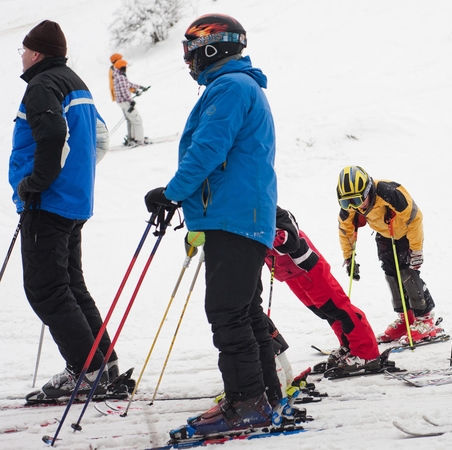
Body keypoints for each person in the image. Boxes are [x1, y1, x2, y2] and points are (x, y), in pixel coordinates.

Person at [144, 14, 279, 438]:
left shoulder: (230, 87)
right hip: (240, 215)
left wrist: (172, 192)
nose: (187, 60)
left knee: (226, 312)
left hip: (234, 217)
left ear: (211, 47)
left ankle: (247, 404)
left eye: (190, 50)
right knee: (243, 309)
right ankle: (263, 396)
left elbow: (207, 149)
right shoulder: (238, 85)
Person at [10, 20, 118, 401]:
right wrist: (75, 175)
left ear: (37, 53)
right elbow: (101, 137)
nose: (20, 57)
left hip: (48, 203)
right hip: (72, 201)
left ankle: (86, 373)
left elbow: (54, 136)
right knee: (70, 286)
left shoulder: (42, 85)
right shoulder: (76, 83)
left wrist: (35, 182)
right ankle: (104, 365)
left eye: (23, 50)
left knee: (46, 290)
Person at [265, 206, 380, 371]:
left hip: (309, 269)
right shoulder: (245, 219)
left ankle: (366, 353)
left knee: (339, 308)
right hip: (290, 275)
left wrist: (260, 243)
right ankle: (348, 346)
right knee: (325, 313)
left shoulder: (275, 213)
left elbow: (289, 241)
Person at [336, 165, 440, 345]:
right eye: (347, 202)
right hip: (385, 234)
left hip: (406, 232)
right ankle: (405, 317)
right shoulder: (353, 206)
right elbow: (345, 228)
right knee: (391, 274)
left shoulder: (388, 192)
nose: (354, 206)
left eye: (356, 200)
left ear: (369, 190)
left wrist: (416, 249)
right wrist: (349, 256)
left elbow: (415, 217)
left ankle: (425, 319)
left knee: (408, 272)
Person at [112, 58, 148, 147]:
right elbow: (124, 91)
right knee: (137, 120)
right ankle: (139, 140)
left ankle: (133, 138)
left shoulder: (119, 76)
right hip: (126, 102)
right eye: (124, 67)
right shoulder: (120, 77)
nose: (126, 68)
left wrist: (140, 87)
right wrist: (131, 101)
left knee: (132, 120)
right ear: (121, 67)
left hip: (123, 102)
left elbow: (128, 84)